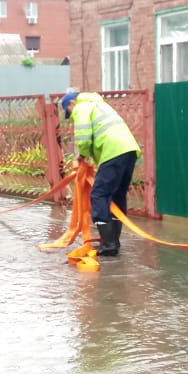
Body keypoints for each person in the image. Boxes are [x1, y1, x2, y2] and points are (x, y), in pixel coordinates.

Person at [60, 91, 140, 257]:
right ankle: (113, 241)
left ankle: (109, 245)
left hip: (113, 151)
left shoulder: (81, 107)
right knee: (117, 196)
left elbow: (84, 138)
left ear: (70, 104)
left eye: (69, 113)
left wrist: (81, 156)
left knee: (99, 195)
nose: (72, 117)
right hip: (129, 150)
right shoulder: (100, 105)